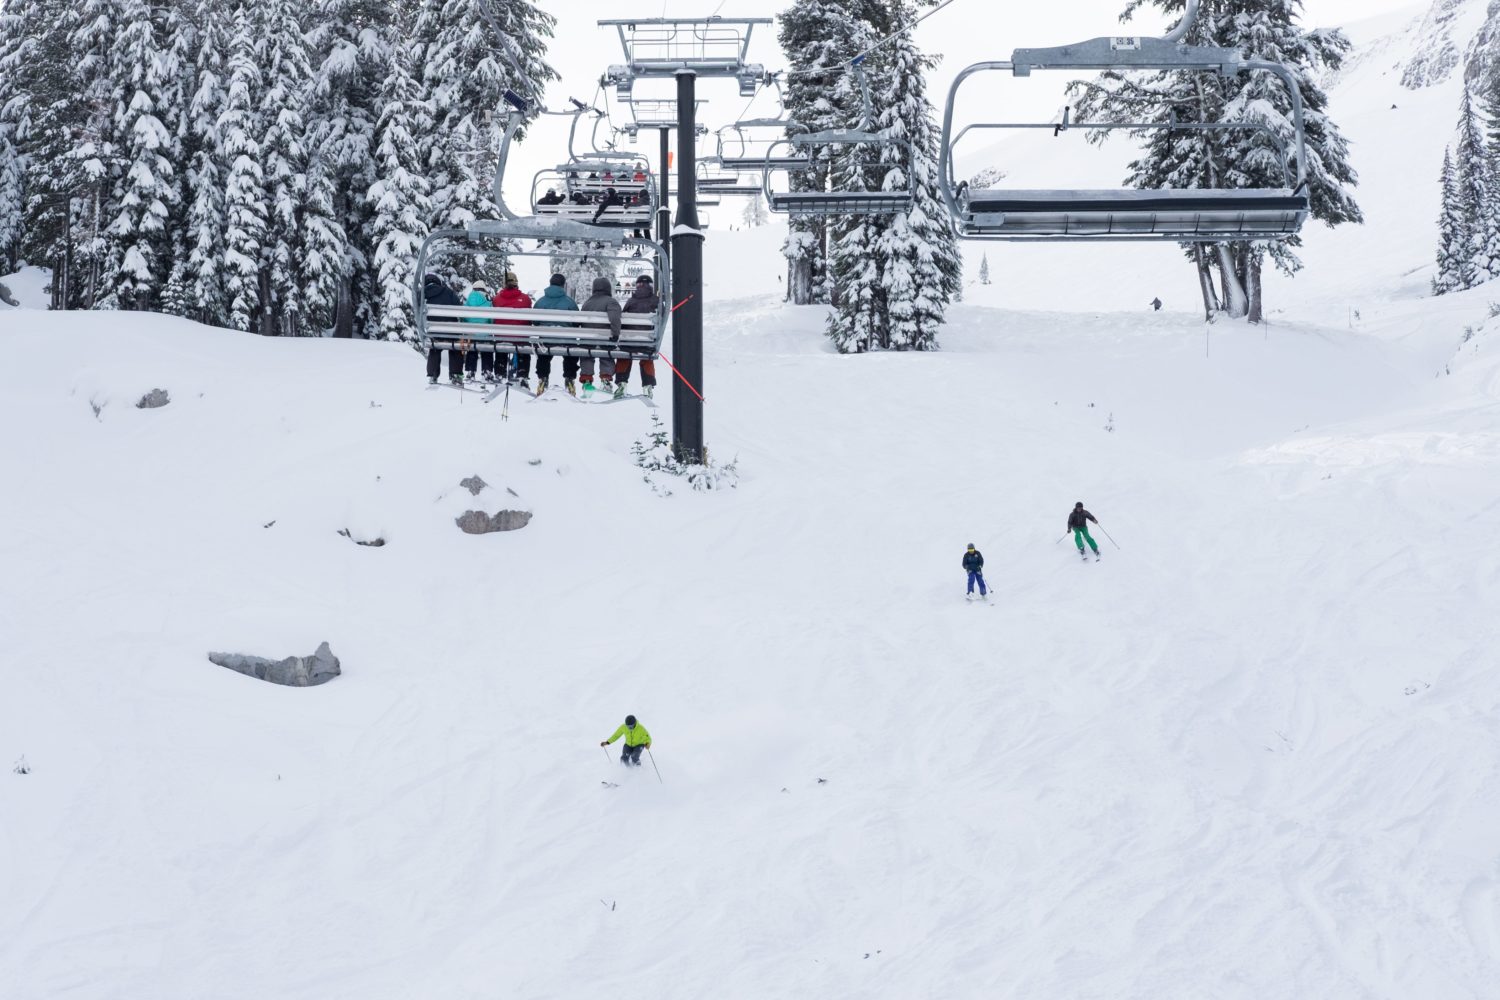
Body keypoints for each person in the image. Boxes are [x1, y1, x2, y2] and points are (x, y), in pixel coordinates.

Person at [531, 273, 579, 395]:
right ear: (563, 286)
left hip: (546, 341)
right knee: (571, 353)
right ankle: (569, 378)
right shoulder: (570, 302)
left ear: (550, 284)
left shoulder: (541, 302)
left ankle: (543, 378)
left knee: (543, 354)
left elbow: (535, 322)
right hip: (566, 341)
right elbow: (577, 323)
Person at [613, 274, 659, 398]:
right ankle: (648, 385)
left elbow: (623, 319)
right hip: (647, 341)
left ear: (637, 285)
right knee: (647, 357)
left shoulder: (631, 301)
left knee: (624, 356)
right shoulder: (655, 300)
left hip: (629, 341)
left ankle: (622, 383)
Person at [578, 276, 622, 395]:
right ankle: (606, 379)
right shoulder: (611, 301)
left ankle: (587, 379)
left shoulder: (587, 303)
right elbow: (615, 318)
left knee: (587, 353)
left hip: (587, 341)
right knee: (607, 353)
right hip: (605, 340)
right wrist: (615, 334)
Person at [489, 271, 533, 386]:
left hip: (501, 336)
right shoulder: (526, 299)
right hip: (520, 338)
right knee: (523, 347)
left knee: (501, 345)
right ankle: (522, 375)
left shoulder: (496, 299)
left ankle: (500, 373)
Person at [421, 273, 465, 385]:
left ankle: (433, 375)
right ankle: (455, 374)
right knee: (455, 347)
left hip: (435, 331)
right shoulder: (448, 292)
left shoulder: (423, 295)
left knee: (434, 348)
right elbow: (459, 308)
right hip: (451, 330)